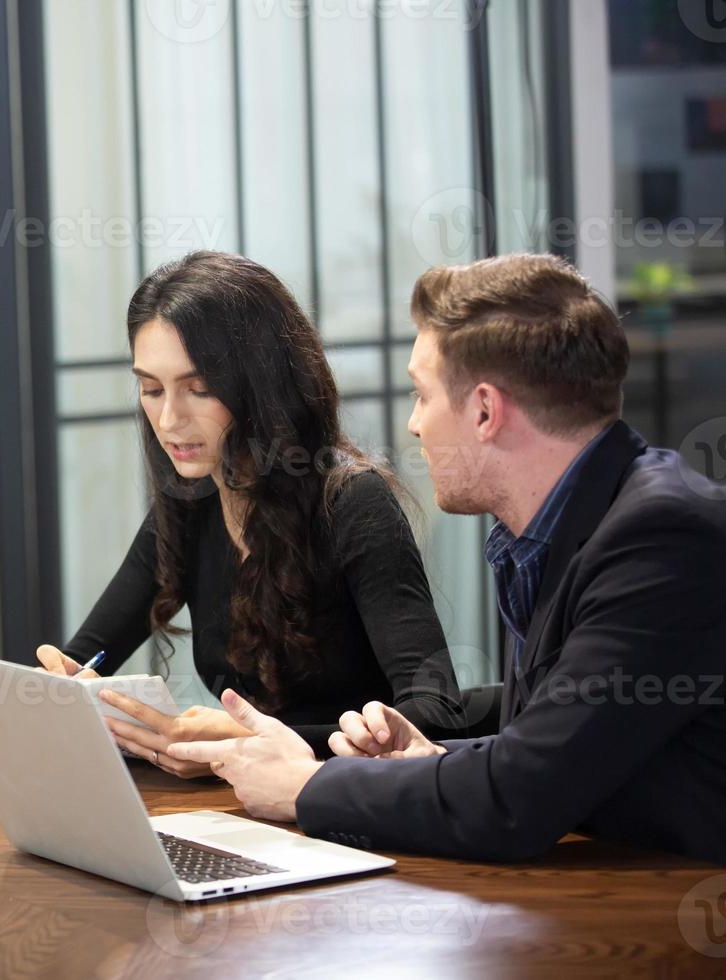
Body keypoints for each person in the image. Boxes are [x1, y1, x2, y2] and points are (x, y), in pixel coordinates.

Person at [166, 253, 726, 864]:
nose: (412, 425)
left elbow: (517, 799)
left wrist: (306, 785)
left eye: (422, 394)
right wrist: (425, 761)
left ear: (484, 410)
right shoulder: (572, 523)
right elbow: (551, 751)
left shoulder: (661, 539)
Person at [37, 251, 462, 776]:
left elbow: (437, 711)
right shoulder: (188, 506)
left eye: (200, 389)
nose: (168, 418)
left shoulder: (352, 502)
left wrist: (236, 740)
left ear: (260, 386)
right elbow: (85, 661)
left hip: (353, 808)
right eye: (151, 389)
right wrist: (61, 685)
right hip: (244, 809)